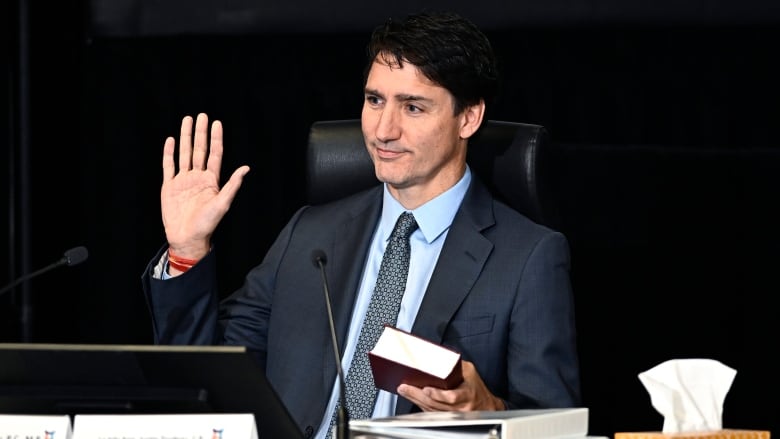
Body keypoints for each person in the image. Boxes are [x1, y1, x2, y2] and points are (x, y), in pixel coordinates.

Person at [142, 9, 581, 439]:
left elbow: (557, 425)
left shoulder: (528, 257)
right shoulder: (309, 234)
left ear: (468, 117)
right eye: (375, 101)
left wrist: (487, 408)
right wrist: (188, 252)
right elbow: (208, 378)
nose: (383, 130)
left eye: (413, 107)